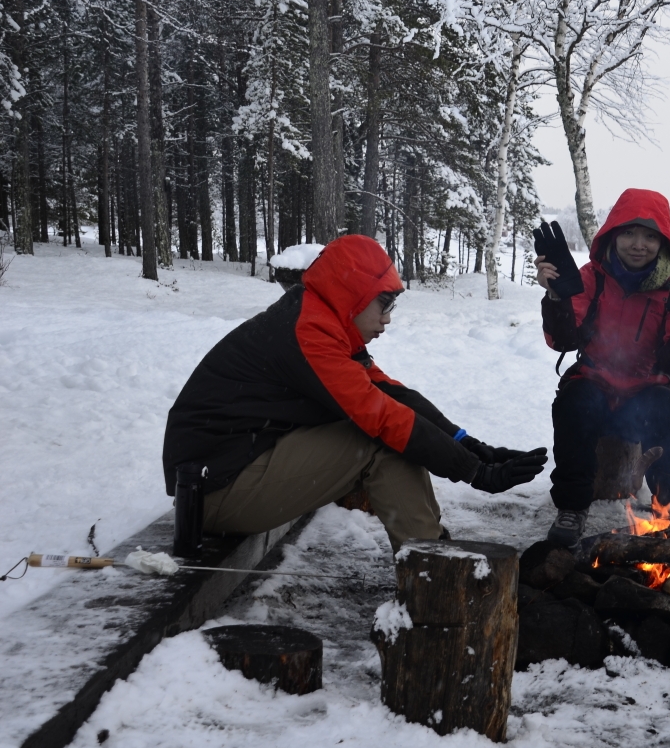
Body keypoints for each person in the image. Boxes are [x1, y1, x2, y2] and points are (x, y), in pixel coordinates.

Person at [162, 234, 548, 554]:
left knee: (393, 432)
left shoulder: (321, 319)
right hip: (214, 493)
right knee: (379, 441)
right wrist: (475, 473)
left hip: (235, 466)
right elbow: (380, 417)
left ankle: (431, 555)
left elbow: (390, 393)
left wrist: (470, 445)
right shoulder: (308, 333)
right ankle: (432, 567)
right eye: (383, 303)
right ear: (353, 295)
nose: (388, 318)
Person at [534, 188, 670, 547]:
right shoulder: (590, 279)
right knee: (574, 403)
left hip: (645, 392)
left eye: (650, 236)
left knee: (667, 411)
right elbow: (564, 341)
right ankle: (572, 506)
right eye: (629, 232)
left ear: (663, 244)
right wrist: (556, 297)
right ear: (612, 234)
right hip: (594, 384)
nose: (638, 244)